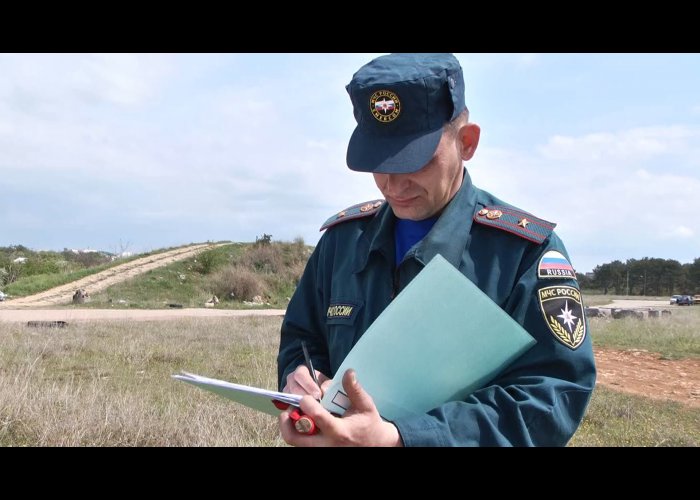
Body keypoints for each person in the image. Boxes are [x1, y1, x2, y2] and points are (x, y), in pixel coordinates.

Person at [277, 53, 596, 446]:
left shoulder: (523, 255)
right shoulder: (342, 243)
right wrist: (301, 380)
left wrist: (402, 439)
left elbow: (551, 397)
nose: (393, 185)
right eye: (377, 162)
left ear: (467, 142)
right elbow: (301, 337)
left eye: (415, 161)